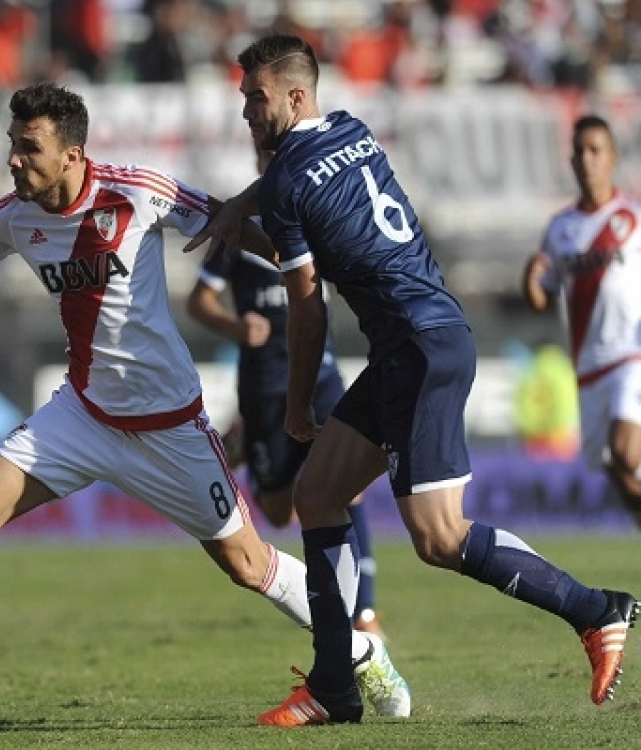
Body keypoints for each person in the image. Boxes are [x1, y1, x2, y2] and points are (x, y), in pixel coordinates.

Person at [0, 82, 410, 718]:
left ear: (72, 154)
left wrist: (303, 257)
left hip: (170, 427)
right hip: (85, 415)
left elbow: (225, 220)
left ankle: (361, 652)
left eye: (29, 147)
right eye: (12, 145)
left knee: (248, 564)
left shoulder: (136, 190)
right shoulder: (13, 218)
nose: (14, 159)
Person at [183, 34, 638, 727]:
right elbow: (288, 188)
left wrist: (299, 404)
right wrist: (240, 206)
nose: (246, 109)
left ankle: (595, 610)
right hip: (423, 339)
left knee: (440, 537)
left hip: (416, 349)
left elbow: (308, 308)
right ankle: (334, 686)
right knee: (317, 493)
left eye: (256, 97)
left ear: (295, 95)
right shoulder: (351, 129)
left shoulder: (284, 184)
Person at [187, 145, 384, 637]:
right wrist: (236, 327)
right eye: (265, 154)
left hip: (321, 376)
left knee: (351, 486)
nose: (273, 161)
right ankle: (247, 449)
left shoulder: (319, 212)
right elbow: (199, 301)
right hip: (265, 386)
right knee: (278, 512)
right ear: (257, 162)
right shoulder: (237, 228)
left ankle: (363, 613)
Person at [522, 115, 641, 529]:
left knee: (626, 452)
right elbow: (542, 298)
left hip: (631, 355)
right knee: (616, 472)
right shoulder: (561, 229)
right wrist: (530, 282)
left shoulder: (633, 216)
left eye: (595, 150)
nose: (587, 159)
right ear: (571, 161)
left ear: (612, 157)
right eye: (580, 151)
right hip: (588, 365)